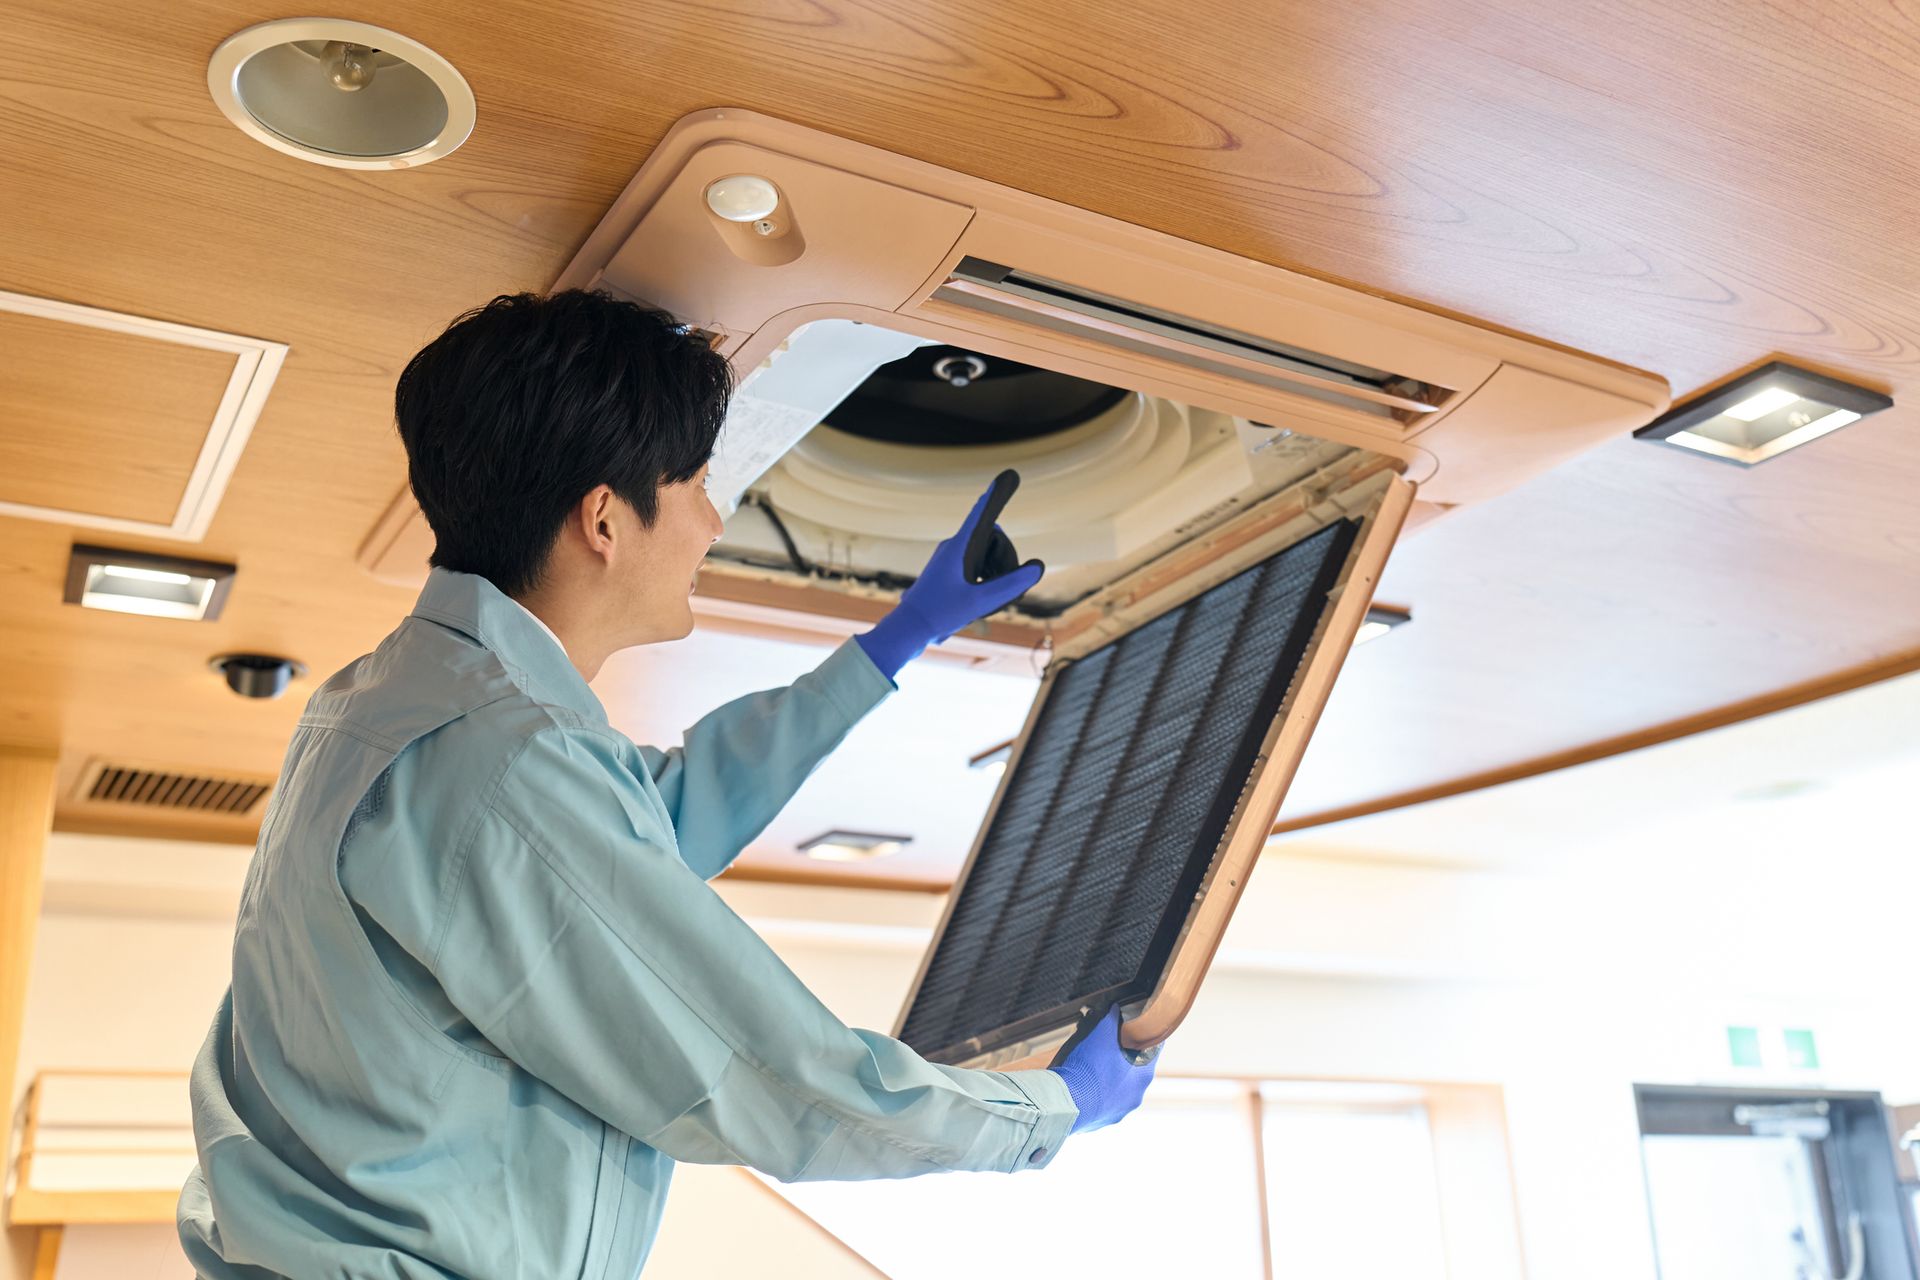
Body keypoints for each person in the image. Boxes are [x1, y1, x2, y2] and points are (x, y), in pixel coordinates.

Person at [177, 290, 1157, 1279]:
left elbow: (655, 818)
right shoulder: (502, 755)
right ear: (604, 518)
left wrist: (893, 641)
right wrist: (1048, 1109)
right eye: (690, 480)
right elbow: (766, 1072)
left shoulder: (395, 702)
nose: (711, 515)